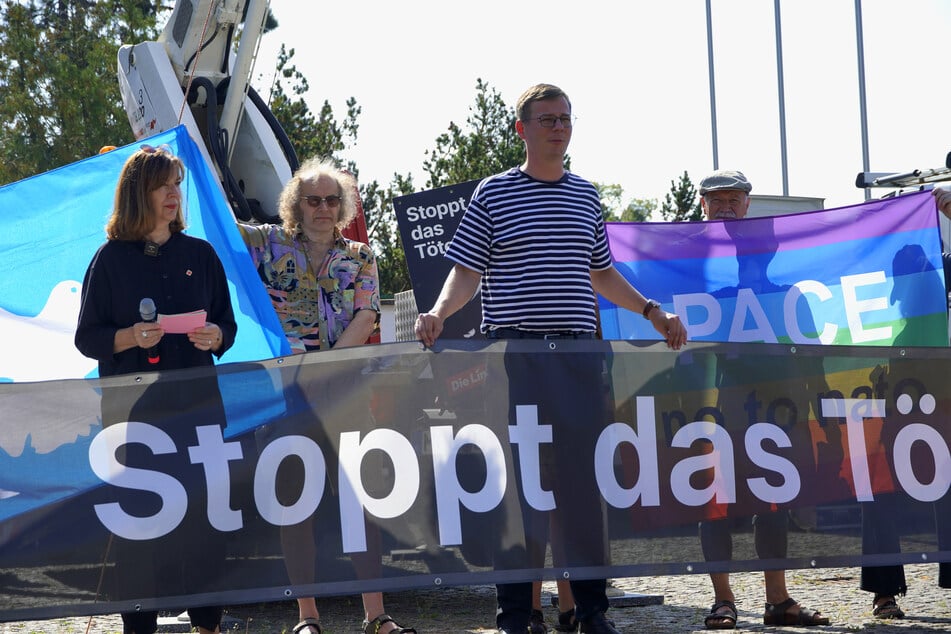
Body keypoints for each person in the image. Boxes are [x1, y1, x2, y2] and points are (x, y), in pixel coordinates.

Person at [415, 83, 687, 634]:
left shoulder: (586, 195)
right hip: (517, 359)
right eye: (546, 120)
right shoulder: (493, 194)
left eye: (565, 119)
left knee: (583, 488)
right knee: (520, 490)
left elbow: (602, 271)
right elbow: (466, 269)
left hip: (581, 359)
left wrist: (652, 312)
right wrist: (439, 312)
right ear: (522, 129)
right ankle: (517, 614)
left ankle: (591, 612)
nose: (558, 127)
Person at [236, 158, 414, 634]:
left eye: (331, 199)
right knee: (294, 503)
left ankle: (376, 614)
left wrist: (323, 366)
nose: (322, 207)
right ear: (296, 203)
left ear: (344, 205)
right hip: (286, 398)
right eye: (312, 199)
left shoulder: (360, 256)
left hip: (346, 391)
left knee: (362, 502)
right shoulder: (267, 245)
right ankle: (307, 617)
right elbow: (216, 222)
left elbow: (367, 316)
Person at [74, 144, 237, 634]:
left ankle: (207, 624)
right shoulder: (108, 260)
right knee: (138, 530)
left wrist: (217, 337)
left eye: (176, 185)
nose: (174, 194)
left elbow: (225, 325)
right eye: (163, 185)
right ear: (137, 194)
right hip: (134, 421)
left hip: (200, 412)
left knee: (206, 526)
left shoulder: (202, 254)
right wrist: (126, 337)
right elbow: (87, 337)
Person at [695, 170, 830, 630]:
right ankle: (723, 601)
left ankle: (778, 601)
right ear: (702, 206)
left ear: (749, 204)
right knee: (713, 506)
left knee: (773, 503)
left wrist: (823, 424)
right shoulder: (692, 278)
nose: (727, 207)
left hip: (783, 415)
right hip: (718, 415)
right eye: (718, 201)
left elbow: (816, 365)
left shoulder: (791, 295)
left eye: (735, 199)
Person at [858, 184, 951, 620]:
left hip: (943, 415)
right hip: (899, 422)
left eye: (921, 268)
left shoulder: (942, 290)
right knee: (879, 496)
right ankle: (883, 591)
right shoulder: (894, 324)